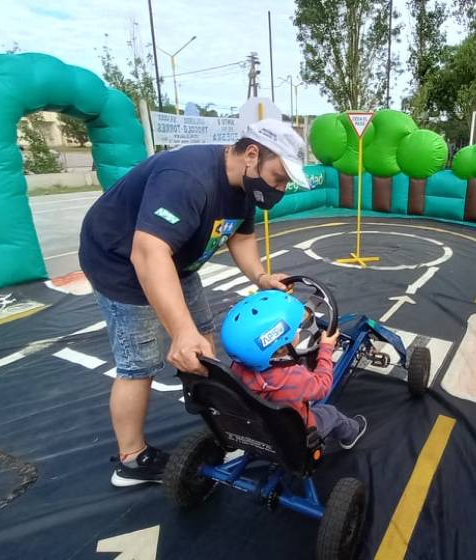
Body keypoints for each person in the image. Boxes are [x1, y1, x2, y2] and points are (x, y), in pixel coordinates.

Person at [78, 119, 309, 487]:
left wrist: (261, 278)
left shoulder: (244, 185)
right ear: (252, 154)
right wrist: (179, 332)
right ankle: (131, 459)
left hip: (177, 257)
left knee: (203, 336)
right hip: (122, 260)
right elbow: (148, 253)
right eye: (278, 177)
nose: (279, 188)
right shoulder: (187, 178)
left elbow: (241, 236)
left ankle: (228, 425)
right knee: (140, 362)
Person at [221, 291, 367, 449]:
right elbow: (322, 386)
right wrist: (326, 348)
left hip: (256, 427)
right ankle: (352, 433)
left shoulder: (236, 368)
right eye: (294, 331)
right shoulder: (294, 377)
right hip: (297, 433)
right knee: (331, 413)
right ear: (282, 348)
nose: (297, 330)